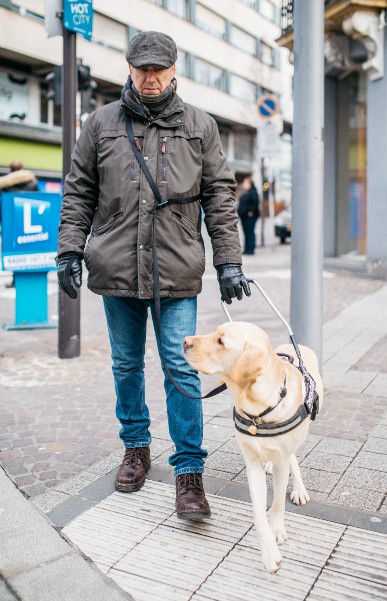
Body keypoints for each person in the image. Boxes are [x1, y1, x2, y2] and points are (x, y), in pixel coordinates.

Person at [56, 31, 250, 519]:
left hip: (176, 270)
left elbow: (220, 198)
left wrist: (229, 261)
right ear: (129, 68)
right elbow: (78, 191)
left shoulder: (200, 126)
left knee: (182, 366)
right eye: (141, 69)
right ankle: (136, 448)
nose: (149, 78)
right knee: (125, 365)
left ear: (173, 68)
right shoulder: (100, 124)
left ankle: (189, 471)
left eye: (157, 69)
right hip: (116, 268)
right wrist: (68, 252)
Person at [0, 160, 38, 287]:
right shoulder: (33, 183)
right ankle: (31, 278)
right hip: (31, 226)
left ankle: (16, 280)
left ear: (10, 170)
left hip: (12, 224)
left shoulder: (4, 185)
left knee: (15, 253)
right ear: (22, 168)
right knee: (31, 250)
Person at [237, 176, 260, 255]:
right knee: (246, 233)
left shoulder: (252, 192)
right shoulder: (245, 192)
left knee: (250, 233)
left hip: (249, 217)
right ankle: (247, 249)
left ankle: (251, 249)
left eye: (245, 183)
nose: (244, 184)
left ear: (250, 184)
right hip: (244, 217)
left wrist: (250, 212)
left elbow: (255, 203)